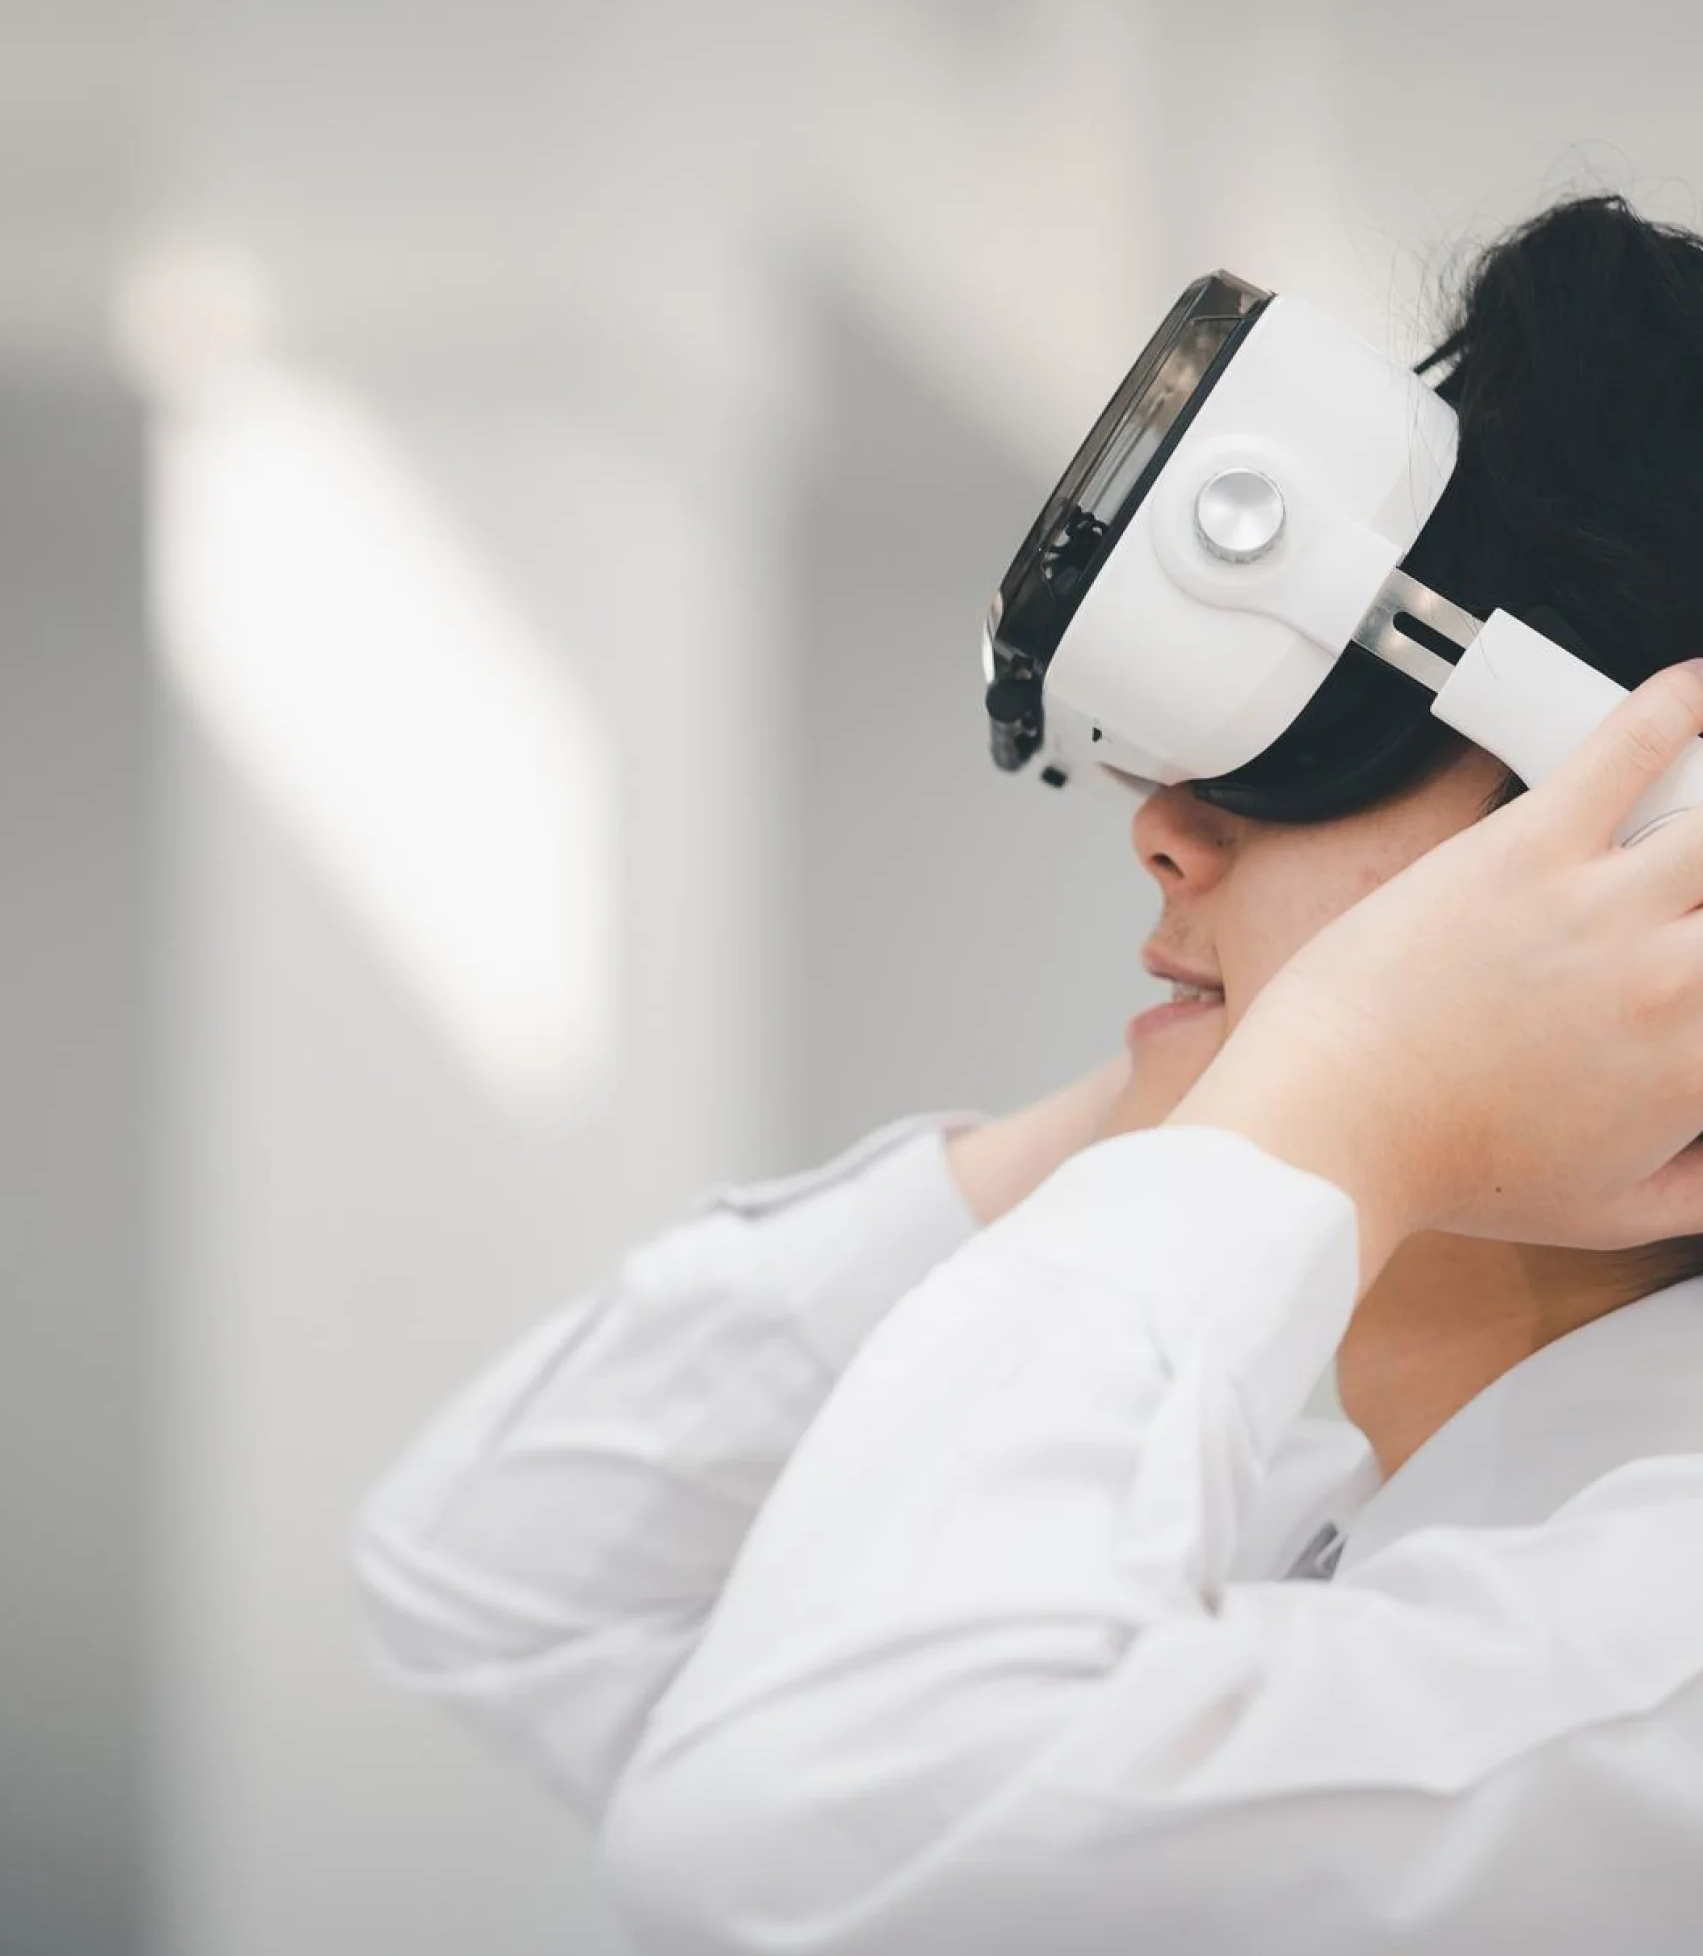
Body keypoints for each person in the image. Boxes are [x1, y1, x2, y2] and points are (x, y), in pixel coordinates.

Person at [356, 197, 1703, 1953]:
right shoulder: (1308, 1524)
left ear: (1661, 846)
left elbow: (818, 1831)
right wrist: (1238, 1086)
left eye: (1327, 749)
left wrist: (1334, 1081)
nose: (1162, 833)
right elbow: (504, 1571)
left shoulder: (1647, 1657)